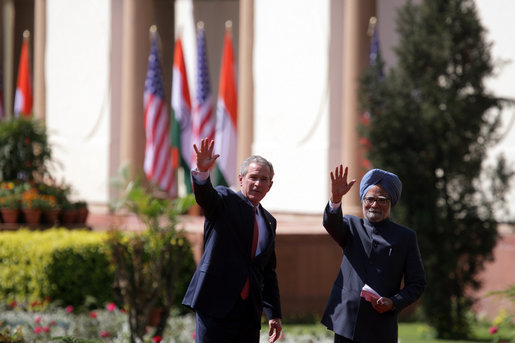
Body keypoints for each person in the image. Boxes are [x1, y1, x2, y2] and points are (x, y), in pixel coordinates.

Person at [182, 138, 282, 343]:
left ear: (270, 186)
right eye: (253, 177)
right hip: (215, 306)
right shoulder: (224, 201)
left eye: (264, 179)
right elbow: (206, 197)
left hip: (248, 313)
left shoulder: (269, 222)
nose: (257, 183)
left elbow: (267, 272)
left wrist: (274, 313)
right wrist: (202, 172)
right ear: (241, 179)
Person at [321, 165, 426, 343]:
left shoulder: (405, 237)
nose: (375, 205)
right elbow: (332, 224)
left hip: (381, 327)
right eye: (370, 199)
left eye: (382, 199)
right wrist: (336, 198)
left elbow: (417, 283)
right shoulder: (351, 226)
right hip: (347, 323)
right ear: (363, 200)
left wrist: (394, 302)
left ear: (391, 202)